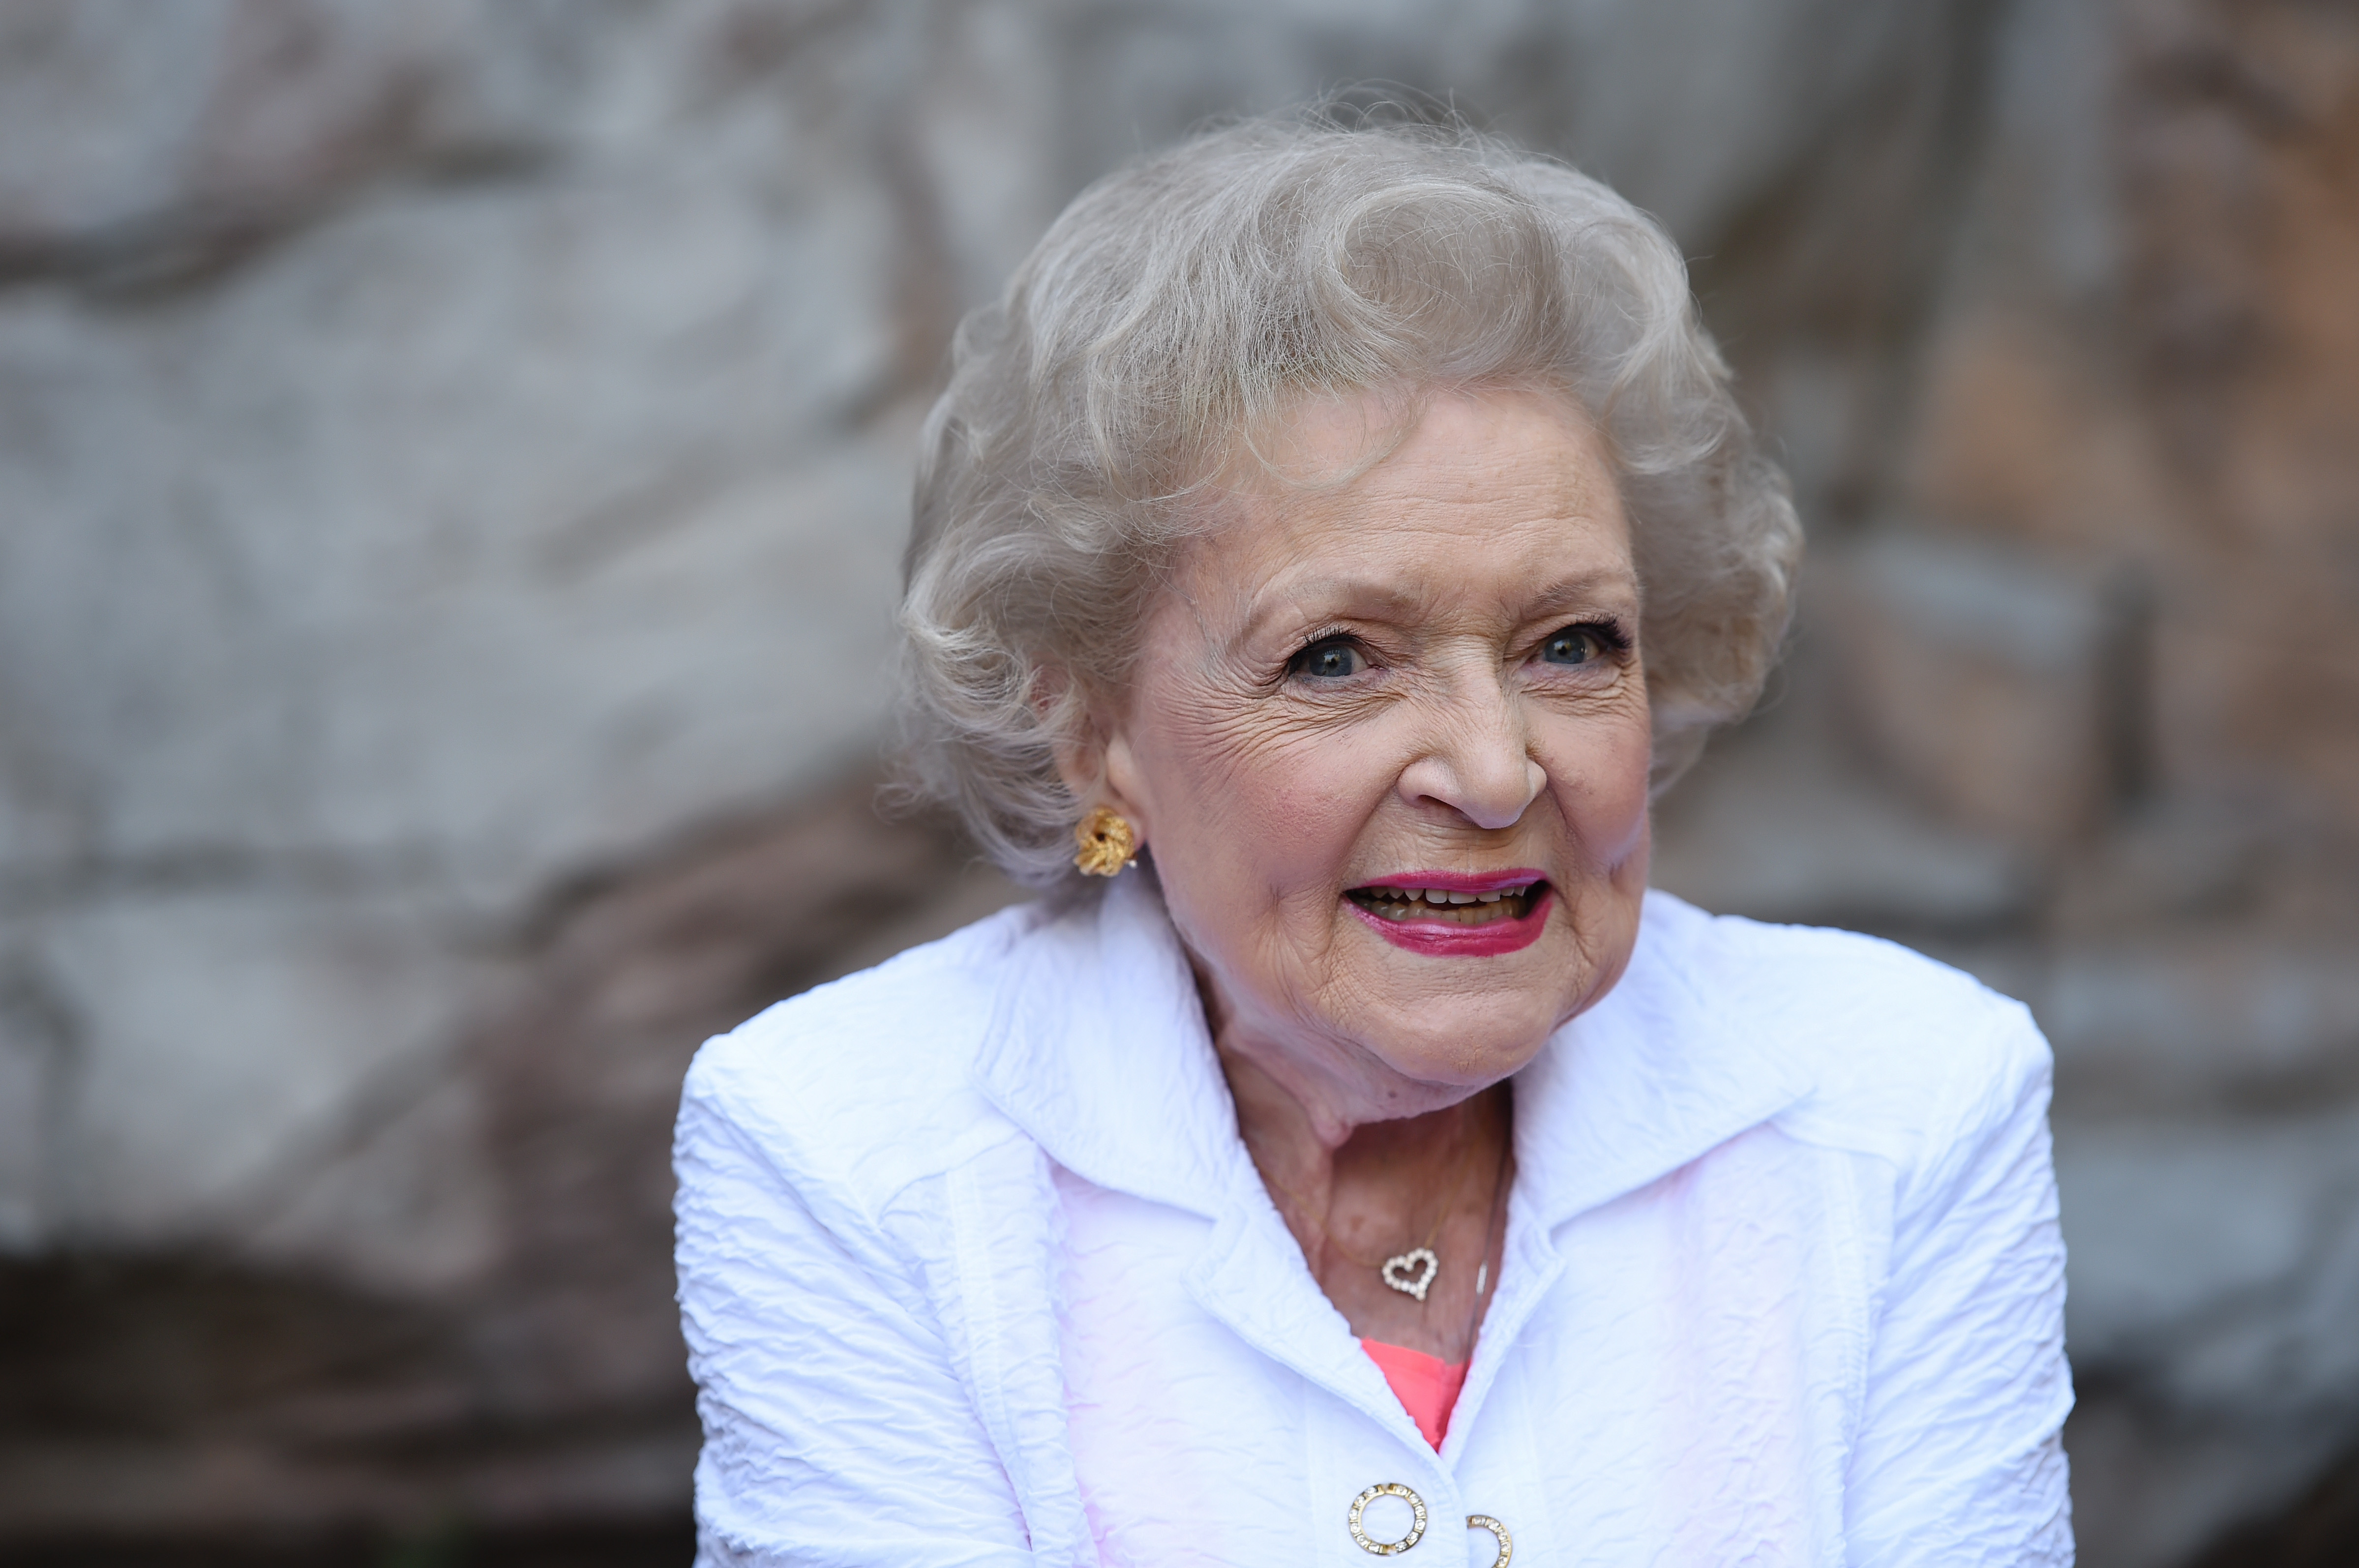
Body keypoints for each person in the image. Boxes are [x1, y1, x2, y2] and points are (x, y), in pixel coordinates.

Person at [673, 110, 2072, 1567]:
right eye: (1337, 658)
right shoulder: (851, 1147)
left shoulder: (1901, 1102)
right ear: (1093, 729)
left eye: (1572, 645)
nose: (1491, 766)